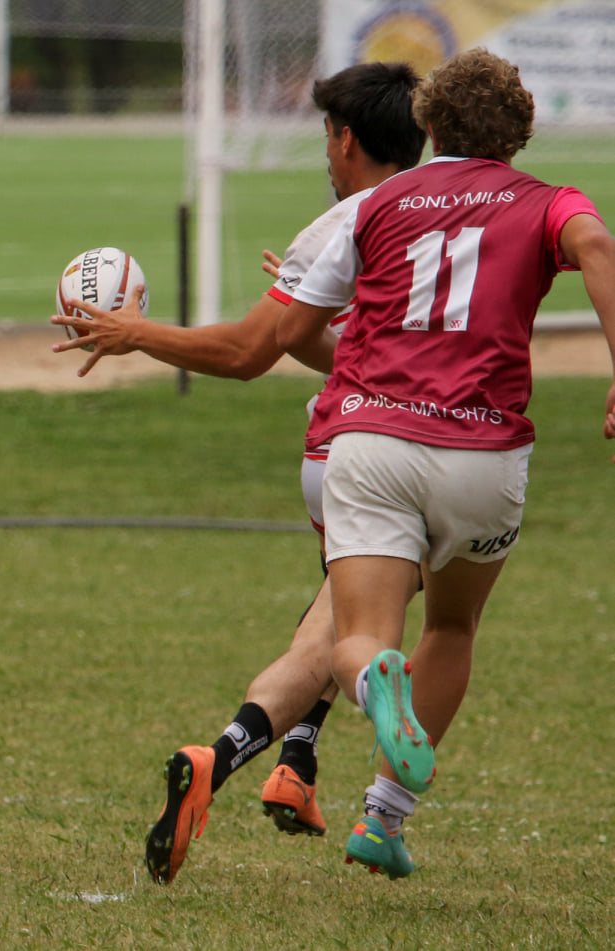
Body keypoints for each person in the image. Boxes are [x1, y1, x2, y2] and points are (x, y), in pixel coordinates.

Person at [51, 62, 426, 884]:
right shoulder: (461, 210)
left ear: (345, 138)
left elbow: (262, 350)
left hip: (340, 451)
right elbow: (258, 349)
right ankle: (373, 801)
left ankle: (246, 760)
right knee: (386, 634)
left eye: (324, 137)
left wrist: (139, 334)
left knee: (330, 624)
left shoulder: (339, 224)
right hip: (422, 449)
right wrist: (146, 334)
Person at [275, 47, 615, 879]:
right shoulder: (547, 202)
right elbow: (597, 246)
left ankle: (371, 686)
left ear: (426, 124)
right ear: (521, 133)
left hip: (375, 445)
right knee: (453, 627)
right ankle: (383, 822)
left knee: (359, 637)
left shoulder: (376, 200)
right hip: (483, 457)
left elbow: (290, 334)